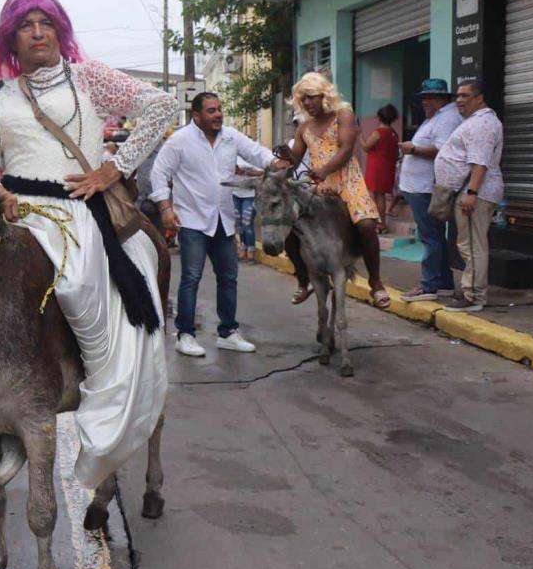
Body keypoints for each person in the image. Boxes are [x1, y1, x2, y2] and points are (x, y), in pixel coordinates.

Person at [0, 0, 177, 489]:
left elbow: (161, 105)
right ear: (10, 39)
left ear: (60, 30)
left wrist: (114, 168)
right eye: (26, 25)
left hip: (78, 210)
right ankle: (13, 418)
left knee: (78, 284)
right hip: (19, 211)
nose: (37, 32)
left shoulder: (89, 77)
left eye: (46, 23)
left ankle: (106, 401)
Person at [151, 94, 282, 357]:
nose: (218, 114)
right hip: (192, 221)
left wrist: (275, 163)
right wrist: (165, 207)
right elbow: (159, 172)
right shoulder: (180, 141)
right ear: (196, 116)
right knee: (191, 278)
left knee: (228, 278)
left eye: (220, 109)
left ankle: (228, 333)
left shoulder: (231, 137)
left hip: (224, 220)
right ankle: (185, 335)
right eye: (211, 111)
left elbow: (257, 152)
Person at [287, 72, 390, 308]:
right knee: (290, 229)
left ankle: (376, 282)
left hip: (347, 181)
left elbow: (346, 150)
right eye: (304, 100)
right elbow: (293, 159)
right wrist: (278, 164)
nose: (308, 103)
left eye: (312, 97)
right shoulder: (303, 127)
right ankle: (304, 281)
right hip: (318, 187)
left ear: (325, 95)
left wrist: (323, 171)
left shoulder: (343, 114)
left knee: (365, 225)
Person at [434, 80, 504, 313]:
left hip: (477, 192)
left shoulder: (482, 124)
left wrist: (471, 193)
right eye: (458, 96)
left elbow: (480, 162)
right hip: (471, 190)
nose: (459, 100)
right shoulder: (476, 122)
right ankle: (469, 288)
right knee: (468, 244)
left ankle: (474, 295)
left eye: (465, 96)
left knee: (472, 245)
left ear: (479, 98)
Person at [398, 79, 463, 303]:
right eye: (423, 97)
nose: (425, 101)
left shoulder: (447, 118)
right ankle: (443, 281)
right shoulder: (436, 117)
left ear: (443, 98)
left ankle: (429, 285)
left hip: (425, 188)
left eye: (430, 97)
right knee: (433, 236)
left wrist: (413, 149)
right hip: (418, 187)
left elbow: (443, 150)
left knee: (430, 237)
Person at [361, 103, 400, 234]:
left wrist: (359, 135)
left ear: (379, 117)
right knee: (380, 195)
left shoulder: (378, 133)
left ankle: (382, 223)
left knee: (378, 196)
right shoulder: (393, 133)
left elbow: (366, 147)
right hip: (388, 167)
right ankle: (380, 222)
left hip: (377, 167)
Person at [233, 156, 263, 263]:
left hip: (249, 195)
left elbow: (262, 172)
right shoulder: (233, 156)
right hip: (235, 194)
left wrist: (246, 171)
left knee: (247, 224)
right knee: (239, 225)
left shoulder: (253, 156)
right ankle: (243, 248)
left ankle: (251, 252)